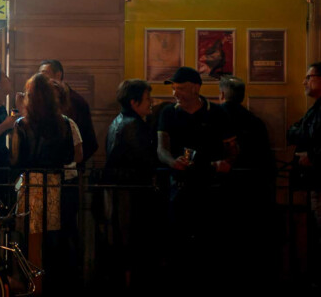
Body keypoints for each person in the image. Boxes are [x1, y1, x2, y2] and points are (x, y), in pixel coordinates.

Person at [156, 67, 237, 291]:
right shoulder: (168, 113)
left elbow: (232, 148)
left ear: (195, 88)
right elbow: (161, 149)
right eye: (174, 88)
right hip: (179, 186)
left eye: (180, 88)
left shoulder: (217, 113)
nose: (175, 93)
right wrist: (172, 162)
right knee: (178, 241)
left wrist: (227, 162)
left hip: (211, 186)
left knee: (209, 241)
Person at [11, 73, 75, 293]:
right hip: (54, 184)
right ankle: (47, 285)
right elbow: (69, 156)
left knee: (31, 237)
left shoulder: (22, 124)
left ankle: (33, 285)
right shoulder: (64, 123)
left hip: (30, 183)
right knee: (51, 238)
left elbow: (16, 159)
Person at [218, 75, 276, 292]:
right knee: (249, 246)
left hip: (223, 190)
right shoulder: (255, 121)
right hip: (254, 191)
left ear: (221, 94)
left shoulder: (215, 118)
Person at [103, 79, 158, 291]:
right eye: (147, 98)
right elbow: (145, 160)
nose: (151, 102)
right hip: (131, 194)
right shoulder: (134, 125)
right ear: (134, 102)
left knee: (121, 244)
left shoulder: (118, 121)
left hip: (118, 192)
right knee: (132, 245)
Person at [288, 62, 321, 286]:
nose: (304, 82)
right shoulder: (315, 109)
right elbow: (292, 132)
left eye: (309, 77)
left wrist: (314, 157)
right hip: (314, 182)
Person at [39, 59, 98, 162]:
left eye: (44, 73)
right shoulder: (41, 101)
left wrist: (74, 163)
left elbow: (88, 140)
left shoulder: (76, 102)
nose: (41, 78)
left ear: (58, 75)